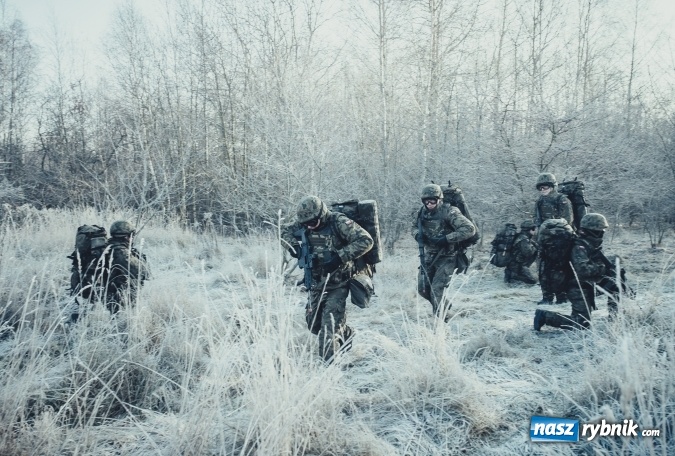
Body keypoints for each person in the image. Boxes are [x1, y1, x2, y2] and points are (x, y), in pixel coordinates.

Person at [282, 196, 373, 362]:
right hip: (317, 282)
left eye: (313, 222)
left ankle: (329, 367)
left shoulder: (338, 222)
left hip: (339, 282)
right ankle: (346, 333)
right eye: (306, 224)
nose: (309, 226)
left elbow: (366, 240)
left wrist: (340, 257)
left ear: (321, 214)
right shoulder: (306, 222)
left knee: (328, 329)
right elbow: (284, 231)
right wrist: (293, 246)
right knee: (313, 324)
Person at [534, 213, 620, 331]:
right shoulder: (579, 246)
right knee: (582, 325)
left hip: (586, 284)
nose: (602, 233)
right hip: (576, 287)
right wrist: (603, 268)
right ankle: (544, 316)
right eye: (600, 230)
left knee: (615, 286)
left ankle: (614, 319)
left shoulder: (588, 244)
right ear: (592, 231)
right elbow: (583, 269)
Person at [412, 184, 476, 319]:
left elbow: (469, 229)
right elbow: (413, 227)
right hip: (428, 255)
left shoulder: (450, 212)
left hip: (447, 256)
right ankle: (444, 307)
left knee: (437, 289)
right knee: (422, 288)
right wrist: (417, 235)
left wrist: (447, 239)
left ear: (439, 199)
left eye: (432, 201)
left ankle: (443, 318)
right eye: (426, 201)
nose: (429, 204)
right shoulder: (421, 212)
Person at [534, 172, 574, 305]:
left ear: (552, 186)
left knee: (559, 269)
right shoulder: (539, 201)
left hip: (560, 240)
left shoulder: (562, 199)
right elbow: (537, 220)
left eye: (545, 187)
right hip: (544, 240)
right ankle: (547, 297)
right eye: (540, 188)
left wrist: (552, 229)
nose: (542, 190)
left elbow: (567, 220)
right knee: (543, 269)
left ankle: (561, 297)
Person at [103, 220, 150, 314]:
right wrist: (140, 259)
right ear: (126, 237)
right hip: (114, 297)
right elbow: (144, 273)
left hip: (104, 291)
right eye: (131, 235)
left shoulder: (107, 246)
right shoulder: (121, 252)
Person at [504, 220, 538, 285]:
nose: (535, 231)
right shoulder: (523, 239)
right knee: (533, 282)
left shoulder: (520, 236)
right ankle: (514, 278)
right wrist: (535, 248)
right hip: (518, 267)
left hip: (513, 266)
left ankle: (511, 277)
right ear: (529, 230)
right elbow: (528, 253)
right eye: (533, 229)